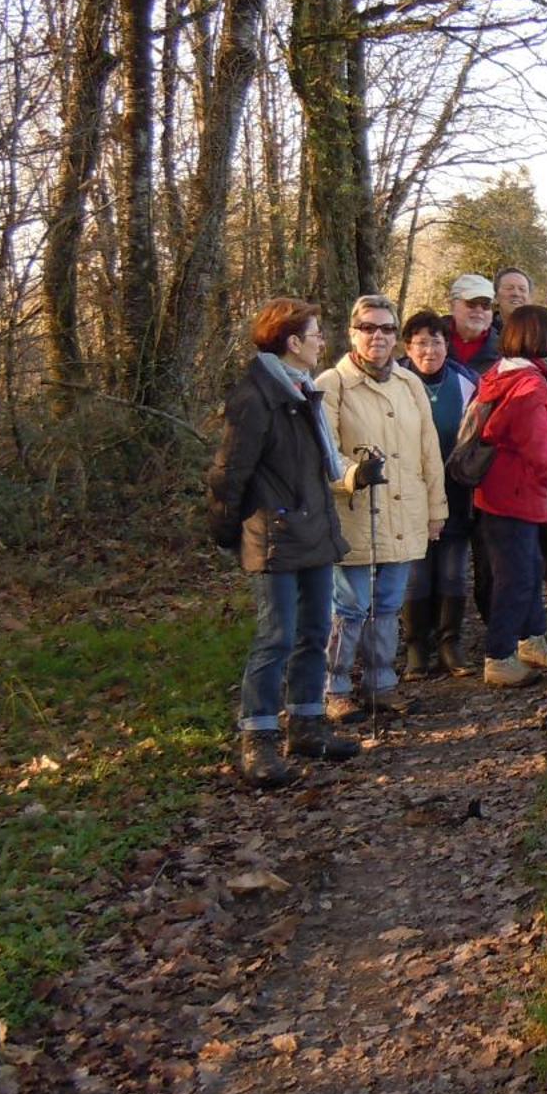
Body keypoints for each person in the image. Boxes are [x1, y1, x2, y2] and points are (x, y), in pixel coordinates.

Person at [205, 298, 362, 788]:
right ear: (292, 342)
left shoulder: (303, 390)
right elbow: (229, 473)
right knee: (276, 638)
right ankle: (259, 739)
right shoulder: (256, 397)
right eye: (315, 334)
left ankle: (307, 725)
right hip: (272, 537)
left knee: (316, 631)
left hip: (313, 532)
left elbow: (318, 469)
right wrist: (227, 530)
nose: (321, 342)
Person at [315, 295, 447, 722]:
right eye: (369, 328)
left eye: (387, 329)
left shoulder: (409, 384)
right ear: (353, 333)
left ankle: (380, 683)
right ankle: (334, 688)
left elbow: (429, 451)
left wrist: (435, 509)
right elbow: (322, 454)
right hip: (353, 512)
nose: (378, 336)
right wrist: (352, 475)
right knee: (349, 606)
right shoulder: (331, 384)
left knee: (389, 604)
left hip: (403, 511)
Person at [471, 303, 547, 686]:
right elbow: (532, 441)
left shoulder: (508, 373)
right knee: (515, 575)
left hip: (507, 489)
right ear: (539, 335)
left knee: (528, 567)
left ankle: (532, 639)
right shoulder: (527, 384)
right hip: (514, 490)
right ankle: (499, 656)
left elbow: (525, 425)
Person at [492, 266, 547, 610]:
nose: (515, 294)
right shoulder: (490, 336)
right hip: (502, 453)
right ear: (496, 295)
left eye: (521, 289)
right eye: (508, 289)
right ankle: (512, 603)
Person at [400, 308, 479, 675]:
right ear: (407, 348)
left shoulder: (466, 382)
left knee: (452, 571)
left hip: (456, 493)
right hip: (409, 495)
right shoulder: (395, 382)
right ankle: (417, 645)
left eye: (436, 342)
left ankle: (450, 642)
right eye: (420, 343)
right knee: (416, 573)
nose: (428, 350)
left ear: (448, 345)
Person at [444, 273, 501, 375]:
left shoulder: (503, 352)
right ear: (452, 305)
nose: (479, 310)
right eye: (471, 303)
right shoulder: (429, 340)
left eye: (486, 305)